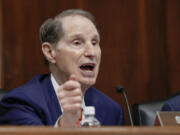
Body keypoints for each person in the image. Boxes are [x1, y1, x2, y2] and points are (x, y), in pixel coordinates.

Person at [0, 9, 124, 127]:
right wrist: (66, 124)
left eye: (94, 43)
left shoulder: (111, 110)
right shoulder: (21, 103)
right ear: (50, 52)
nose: (91, 52)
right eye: (77, 43)